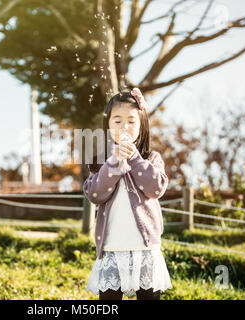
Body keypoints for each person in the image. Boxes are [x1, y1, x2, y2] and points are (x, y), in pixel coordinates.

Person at [83, 88, 172, 300]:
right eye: (117, 121)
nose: (124, 127)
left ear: (142, 126)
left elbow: (156, 188)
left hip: (145, 249)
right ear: (108, 126)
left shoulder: (151, 158)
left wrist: (134, 159)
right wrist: (113, 162)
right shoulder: (101, 162)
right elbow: (95, 194)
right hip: (112, 248)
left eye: (131, 121)